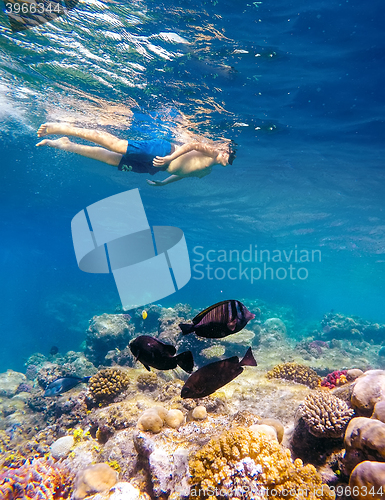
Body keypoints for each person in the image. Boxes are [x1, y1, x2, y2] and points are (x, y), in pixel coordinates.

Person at [36, 123, 236, 186]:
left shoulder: (206, 172)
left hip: (157, 167)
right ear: (225, 150)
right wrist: (169, 158)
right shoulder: (212, 152)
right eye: (231, 155)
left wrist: (163, 183)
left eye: (233, 158)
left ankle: (66, 145)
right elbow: (193, 144)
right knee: (116, 145)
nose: (231, 159)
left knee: (110, 160)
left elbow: (183, 174)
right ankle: (62, 128)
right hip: (164, 152)